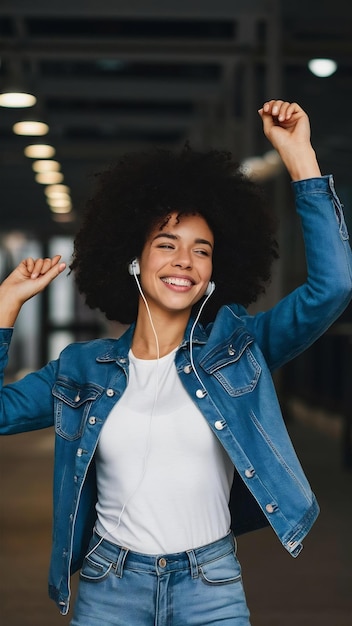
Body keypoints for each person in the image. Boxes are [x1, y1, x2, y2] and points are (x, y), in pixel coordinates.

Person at [0, 100, 351, 626]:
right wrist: (6, 303)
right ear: (135, 260)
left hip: (210, 586)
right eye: (167, 244)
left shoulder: (238, 350)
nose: (184, 260)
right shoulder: (82, 369)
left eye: (201, 250)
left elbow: (333, 289)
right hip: (109, 585)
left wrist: (299, 156)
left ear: (213, 273)